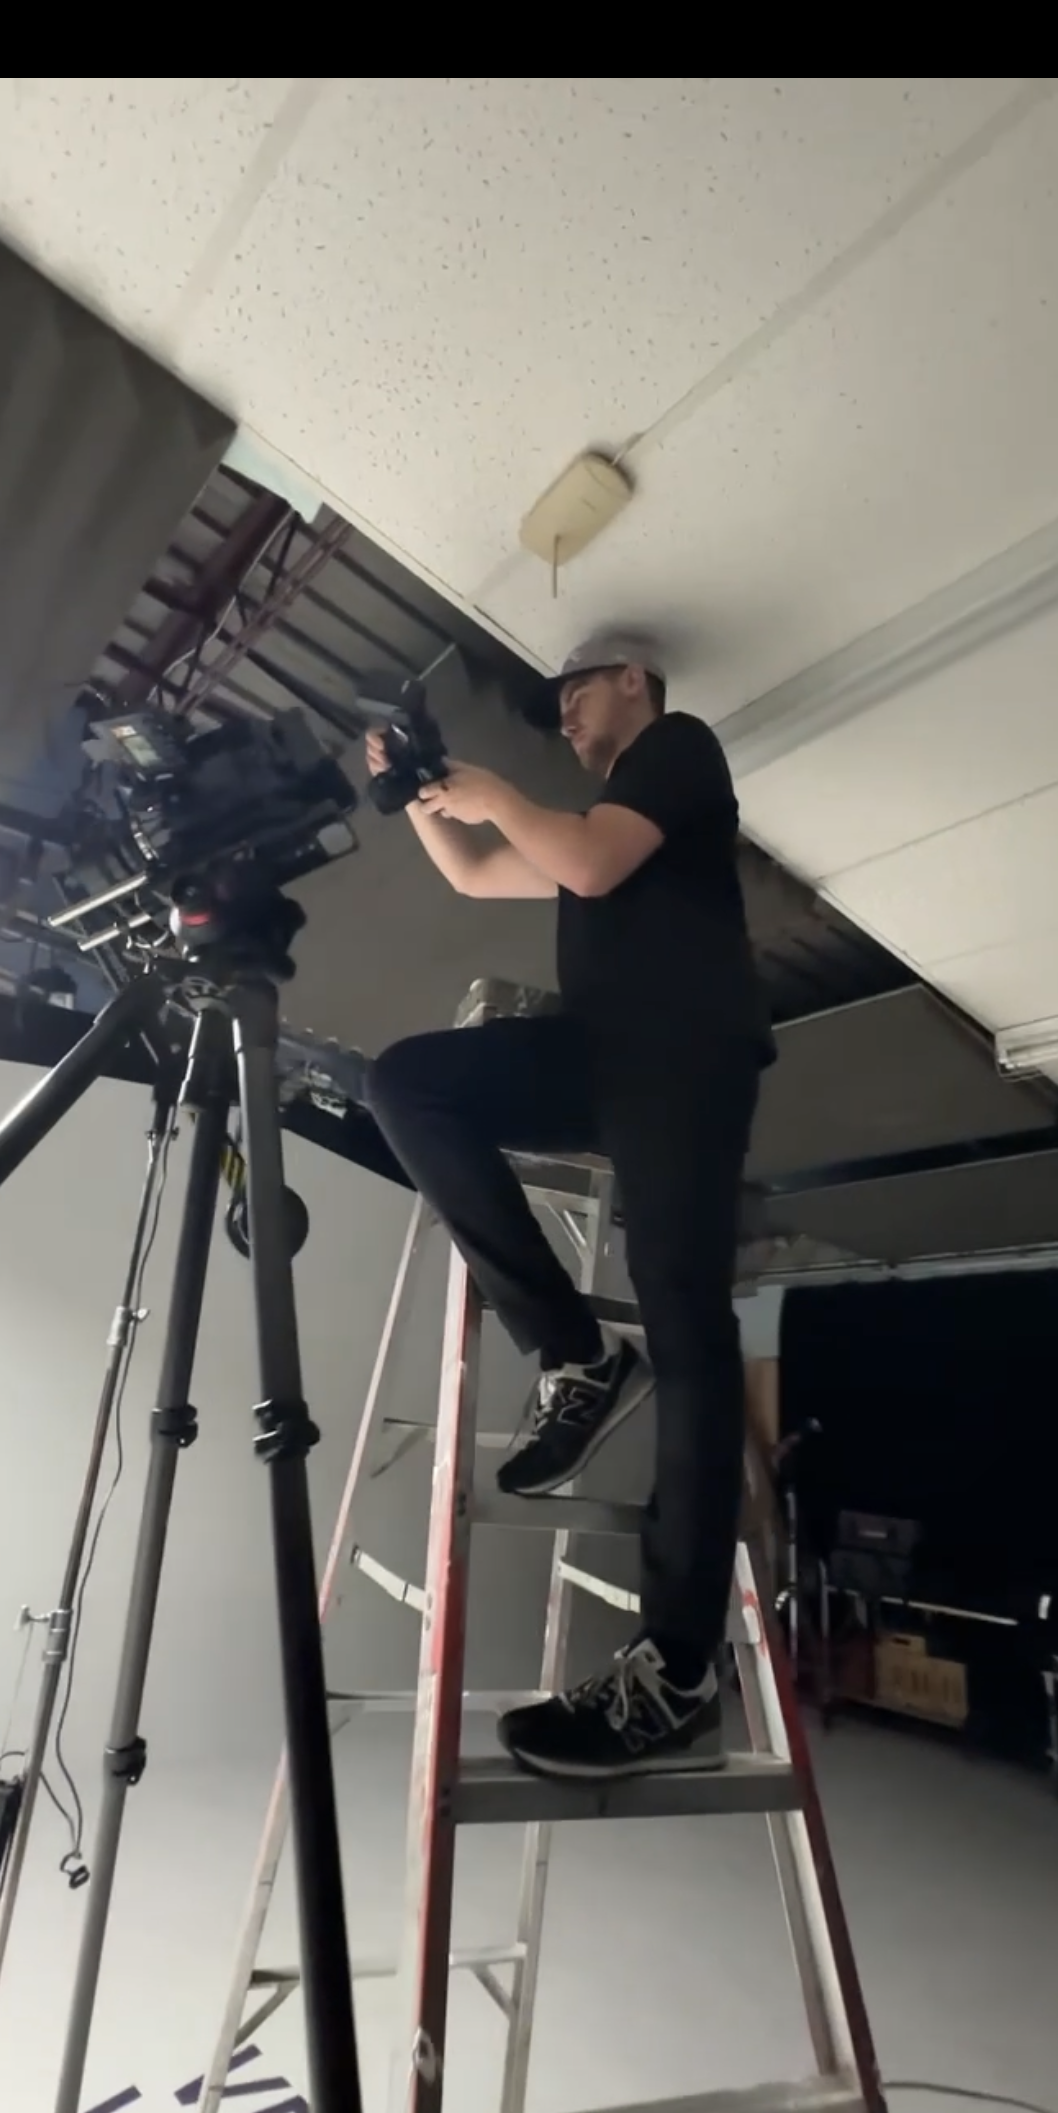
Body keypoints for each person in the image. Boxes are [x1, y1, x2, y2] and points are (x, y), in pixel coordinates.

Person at [364, 633, 775, 1781]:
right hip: (602, 1055)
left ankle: (678, 1671)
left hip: (686, 1060)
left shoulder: (678, 754)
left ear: (634, 677)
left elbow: (590, 867)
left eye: (576, 692)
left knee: (689, 1324)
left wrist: (490, 787)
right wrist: (417, 795)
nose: (566, 717)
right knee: (408, 1083)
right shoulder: (591, 820)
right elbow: (473, 873)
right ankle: (576, 1354)